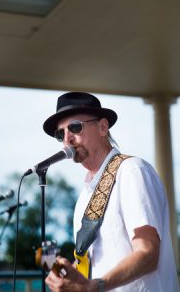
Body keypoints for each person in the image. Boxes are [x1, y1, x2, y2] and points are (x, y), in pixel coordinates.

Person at [43, 91, 179, 291]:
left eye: (74, 127)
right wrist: (66, 274)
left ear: (103, 127)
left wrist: (96, 286)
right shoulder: (84, 197)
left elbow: (148, 252)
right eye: (60, 133)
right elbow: (94, 267)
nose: (67, 139)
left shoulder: (132, 171)